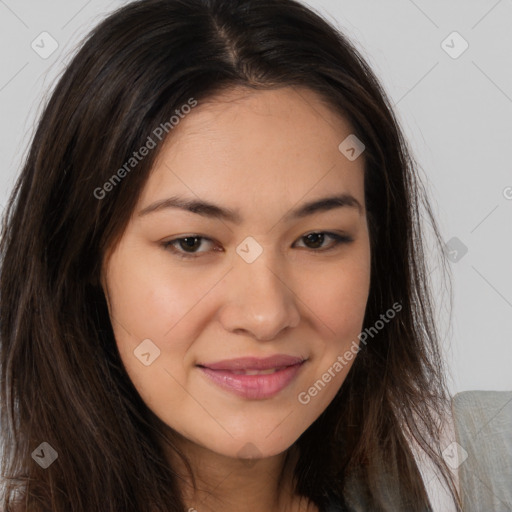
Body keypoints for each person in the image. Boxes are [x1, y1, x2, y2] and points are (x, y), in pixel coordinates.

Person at [0, 0, 463, 510]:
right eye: (191, 243)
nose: (266, 315)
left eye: (316, 239)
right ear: (85, 256)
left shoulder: (484, 472)